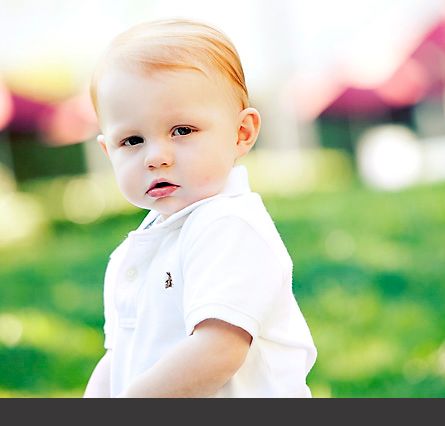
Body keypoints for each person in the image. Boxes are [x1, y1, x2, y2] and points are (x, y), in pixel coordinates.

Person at [82, 18, 317, 398]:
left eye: (182, 131)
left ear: (241, 133)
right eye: (132, 140)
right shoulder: (140, 247)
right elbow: (122, 355)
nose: (156, 157)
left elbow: (219, 350)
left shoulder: (229, 226)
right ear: (108, 151)